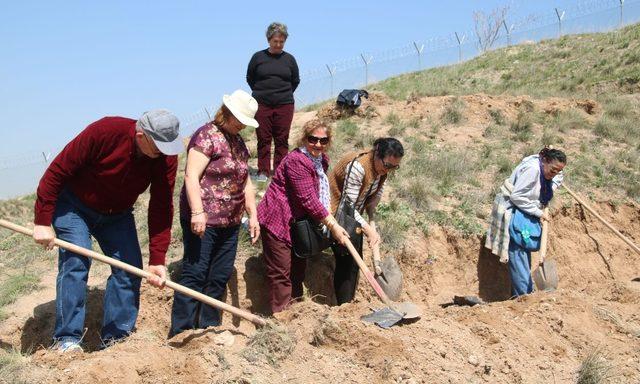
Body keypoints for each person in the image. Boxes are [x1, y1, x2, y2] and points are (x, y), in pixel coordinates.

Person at [32, 110, 183, 352]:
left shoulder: (164, 157)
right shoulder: (105, 132)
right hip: (74, 206)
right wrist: (42, 221)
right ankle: (66, 339)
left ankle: (115, 341)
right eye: (158, 146)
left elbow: (162, 206)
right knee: (77, 258)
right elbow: (57, 171)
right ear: (141, 135)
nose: (163, 153)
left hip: (117, 215)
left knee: (129, 270)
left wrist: (157, 259)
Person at [169, 90, 260, 337]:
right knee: (195, 273)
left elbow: (247, 183)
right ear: (227, 112)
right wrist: (198, 212)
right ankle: (182, 331)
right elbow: (190, 176)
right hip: (204, 220)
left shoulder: (239, 143)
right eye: (239, 118)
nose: (241, 124)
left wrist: (252, 215)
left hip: (230, 221)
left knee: (219, 275)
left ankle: (207, 327)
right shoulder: (206, 136)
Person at [257, 119, 349, 313]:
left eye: (323, 141)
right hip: (278, 219)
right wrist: (333, 226)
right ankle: (280, 319)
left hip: (298, 223)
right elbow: (309, 199)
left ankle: (298, 314)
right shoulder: (296, 161)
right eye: (312, 139)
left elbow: (318, 194)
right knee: (281, 273)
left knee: (298, 270)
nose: (318, 144)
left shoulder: (321, 160)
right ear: (304, 139)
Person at [328, 138, 404, 305]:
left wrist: (374, 201)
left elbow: (377, 188)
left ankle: (348, 304)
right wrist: (368, 229)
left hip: (353, 215)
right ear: (377, 154)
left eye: (394, 167)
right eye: (387, 165)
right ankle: (344, 308)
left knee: (354, 264)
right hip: (333, 214)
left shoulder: (381, 169)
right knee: (348, 262)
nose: (389, 170)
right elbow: (347, 207)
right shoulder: (358, 167)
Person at [485, 147, 566, 297]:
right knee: (519, 254)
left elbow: (558, 175)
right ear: (545, 161)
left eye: (557, 171)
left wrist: (552, 181)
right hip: (515, 213)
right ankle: (523, 296)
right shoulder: (532, 170)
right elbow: (517, 197)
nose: (553, 174)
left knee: (523, 256)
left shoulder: (546, 168)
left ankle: (521, 294)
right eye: (552, 170)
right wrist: (538, 212)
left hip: (524, 214)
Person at [246, 22, 300, 182]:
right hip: (262, 105)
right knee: (263, 138)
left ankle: (279, 172)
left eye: (281, 41)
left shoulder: (290, 59)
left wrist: (283, 94)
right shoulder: (258, 57)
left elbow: (295, 81)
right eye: (275, 41)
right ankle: (263, 172)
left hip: (285, 104)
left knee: (282, 139)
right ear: (269, 39)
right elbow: (250, 78)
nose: (278, 44)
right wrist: (262, 93)